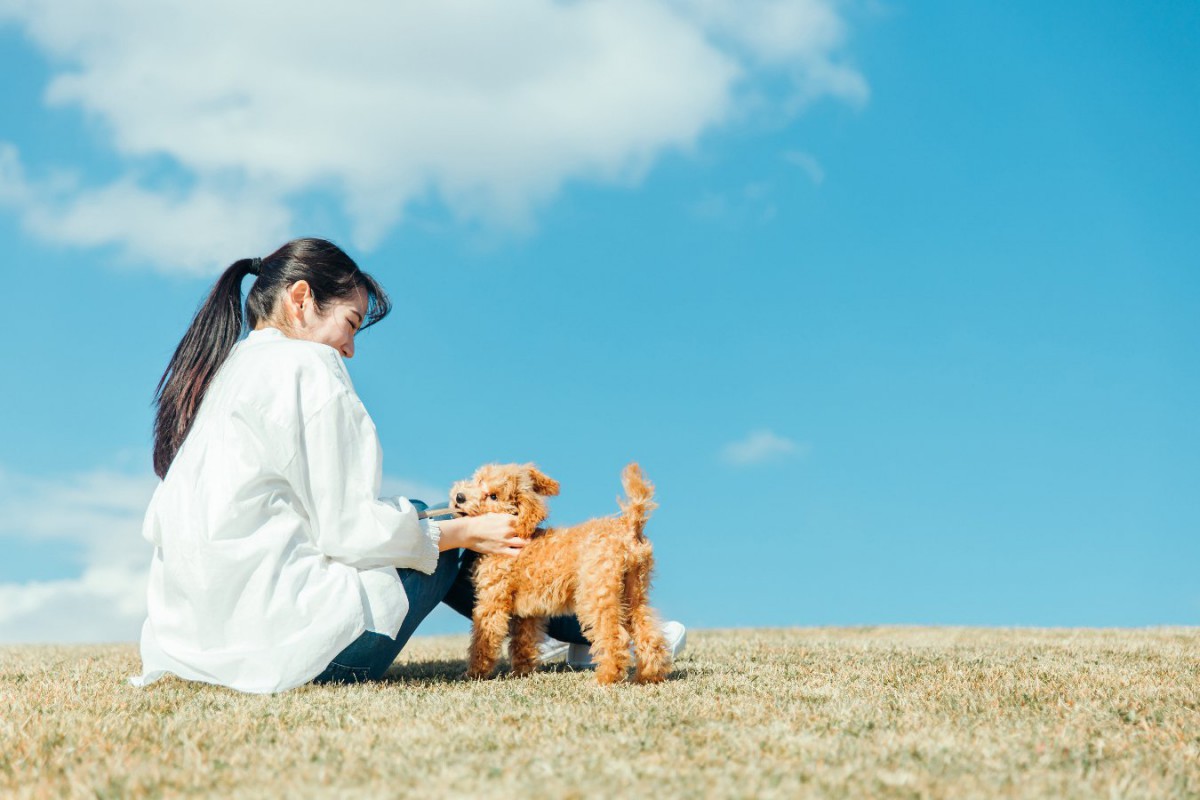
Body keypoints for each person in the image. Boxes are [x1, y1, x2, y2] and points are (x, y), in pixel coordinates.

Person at [131, 237, 683, 694]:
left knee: (426, 523)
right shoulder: (308, 366)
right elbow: (349, 532)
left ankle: (574, 628)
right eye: (350, 323)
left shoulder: (222, 378)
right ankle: (595, 629)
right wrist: (461, 528)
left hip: (193, 650)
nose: (349, 347)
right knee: (437, 529)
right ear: (301, 300)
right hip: (290, 655)